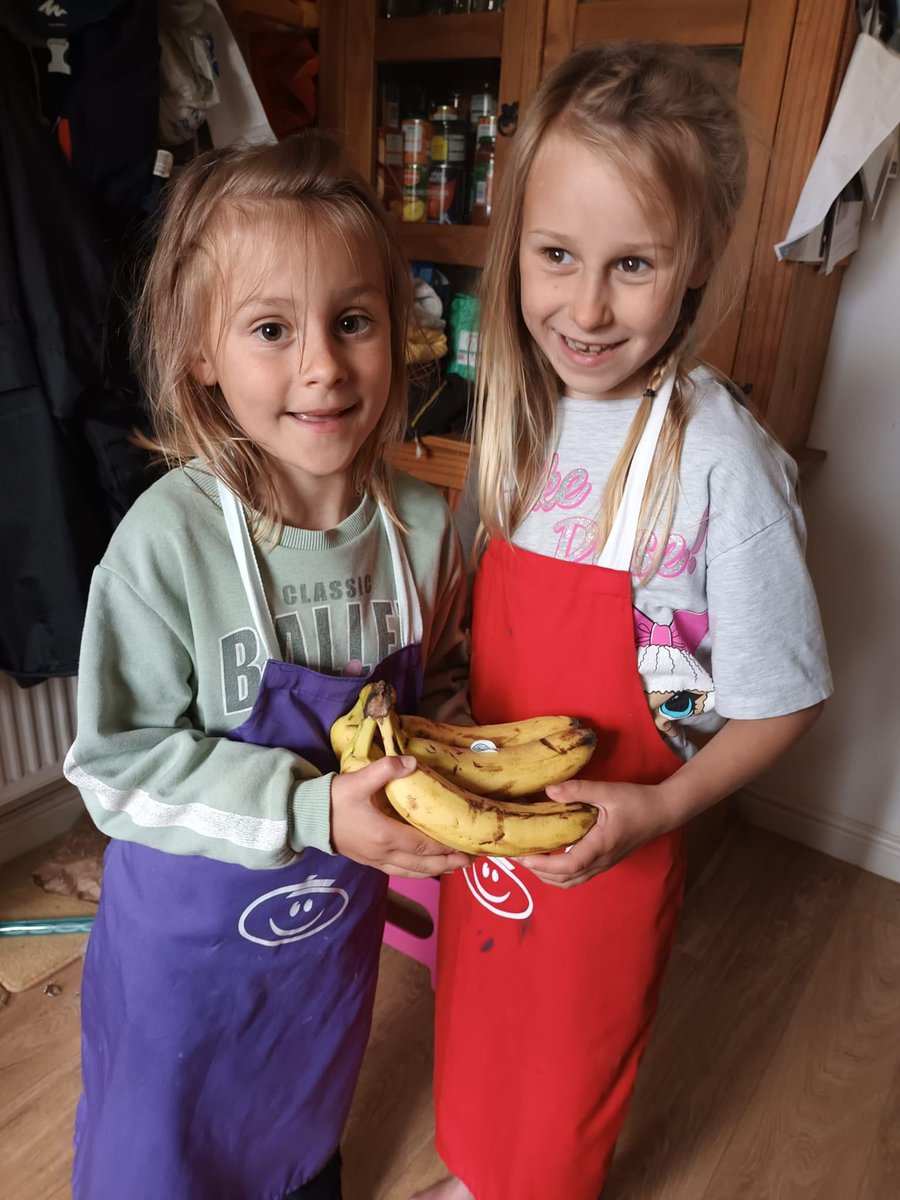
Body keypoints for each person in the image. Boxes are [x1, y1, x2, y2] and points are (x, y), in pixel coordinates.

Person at [422, 41, 832, 1200]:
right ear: (517, 251)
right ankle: (475, 1169)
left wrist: (660, 808)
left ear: (695, 262)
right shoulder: (521, 413)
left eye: (633, 265)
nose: (586, 309)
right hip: (489, 824)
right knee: (477, 1012)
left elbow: (784, 697)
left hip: (617, 843)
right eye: (557, 256)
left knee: (567, 1064)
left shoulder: (718, 464)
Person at [63, 131, 472, 1200]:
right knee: (160, 1154)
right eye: (271, 330)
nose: (323, 367)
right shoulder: (168, 543)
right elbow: (115, 767)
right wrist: (311, 809)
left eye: (352, 322)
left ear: (398, 332)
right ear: (202, 351)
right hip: (184, 970)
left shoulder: (424, 528)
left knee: (298, 1133)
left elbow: (447, 691)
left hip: (325, 951)